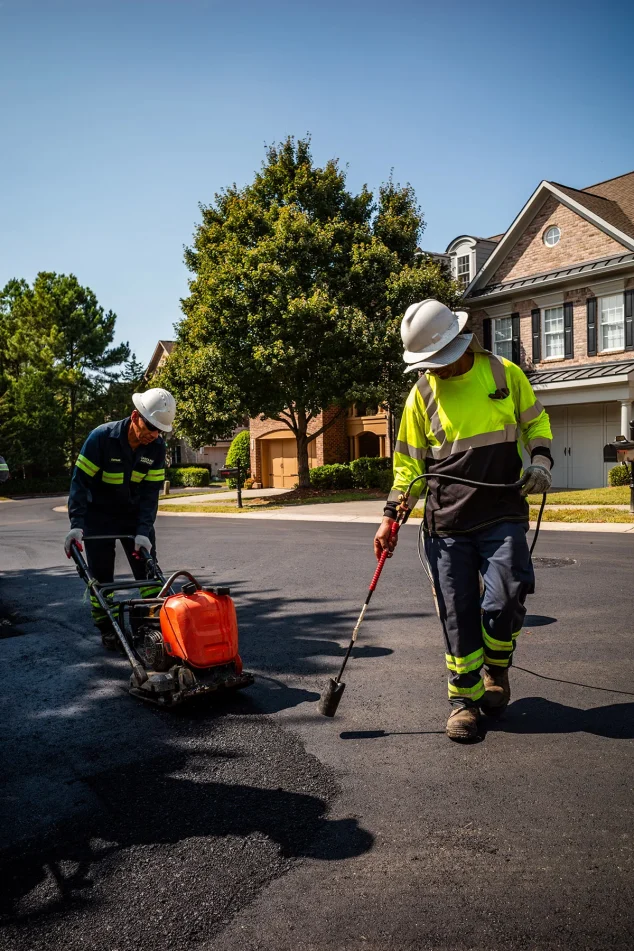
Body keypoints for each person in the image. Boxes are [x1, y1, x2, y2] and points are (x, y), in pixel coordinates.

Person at [374, 300, 552, 741]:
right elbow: (408, 467)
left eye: (437, 360)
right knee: (458, 614)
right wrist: (390, 517)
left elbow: (536, 421)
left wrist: (542, 461)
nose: (432, 370)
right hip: (446, 524)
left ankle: (496, 668)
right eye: (426, 363)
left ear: (458, 342)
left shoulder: (502, 374)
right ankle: (464, 701)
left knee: (507, 598)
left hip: (501, 513)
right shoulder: (422, 394)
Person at [64, 388, 176, 648]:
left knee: (149, 572)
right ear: (135, 416)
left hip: (133, 516)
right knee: (101, 579)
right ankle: (108, 628)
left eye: (160, 429)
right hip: (98, 516)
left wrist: (143, 531)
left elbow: (150, 494)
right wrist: (76, 527)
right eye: (150, 426)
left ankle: (148, 623)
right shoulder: (101, 438)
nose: (153, 434)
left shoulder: (156, 447)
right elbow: (79, 484)